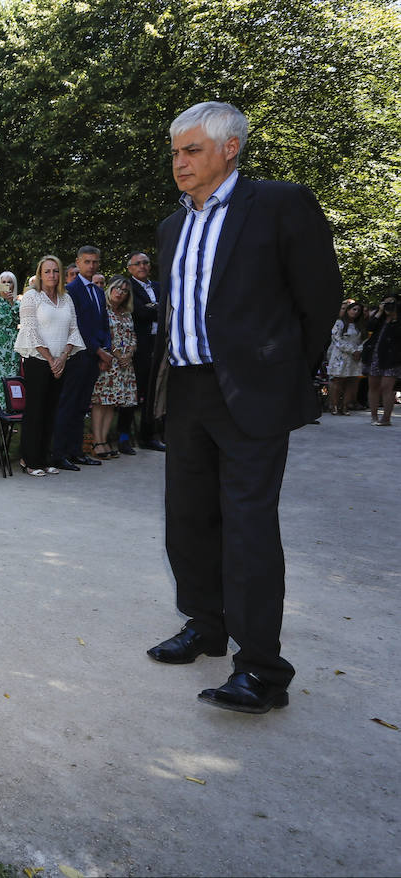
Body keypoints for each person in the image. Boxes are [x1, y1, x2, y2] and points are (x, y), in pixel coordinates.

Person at [146, 101, 340, 714]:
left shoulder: (280, 204)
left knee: (250, 529)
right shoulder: (171, 227)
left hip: (250, 394)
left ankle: (261, 669)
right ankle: (205, 625)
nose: (179, 163)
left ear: (231, 149)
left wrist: (280, 373)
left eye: (192, 150)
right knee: (188, 518)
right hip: (187, 391)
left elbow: (320, 298)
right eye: (175, 152)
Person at [14, 255, 83, 476]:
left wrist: (62, 357)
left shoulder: (66, 298)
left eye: (55, 271)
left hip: (61, 362)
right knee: (36, 411)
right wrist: (51, 359)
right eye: (47, 271)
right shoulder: (32, 297)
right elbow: (30, 330)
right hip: (38, 361)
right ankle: (30, 460)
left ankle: (46, 457)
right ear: (40, 274)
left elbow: (74, 329)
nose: (52, 275)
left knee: (52, 411)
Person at [52, 246, 111, 470]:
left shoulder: (97, 291)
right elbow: (78, 326)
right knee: (68, 404)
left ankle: (77, 451)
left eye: (95, 262)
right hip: (78, 355)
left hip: (95, 357)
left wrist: (106, 349)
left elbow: (103, 323)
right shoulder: (70, 290)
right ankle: (60, 452)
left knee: (82, 407)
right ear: (78, 262)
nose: (92, 266)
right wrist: (99, 351)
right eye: (87, 262)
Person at [90, 277, 138, 460]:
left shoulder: (126, 313)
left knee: (112, 403)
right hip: (109, 361)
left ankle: (105, 440)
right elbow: (104, 335)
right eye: (117, 288)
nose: (120, 292)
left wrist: (129, 354)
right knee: (100, 401)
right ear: (110, 289)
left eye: (125, 290)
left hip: (125, 365)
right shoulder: (103, 310)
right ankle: (97, 441)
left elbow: (133, 336)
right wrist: (118, 354)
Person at [124, 251, 164, 452]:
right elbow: (139, 312)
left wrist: (153, 307)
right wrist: (155, 308)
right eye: (137, 263)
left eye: (145, 263)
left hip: (158, 343)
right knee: (133, 392)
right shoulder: (128, 286)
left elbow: (166, 309)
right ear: (130, 268)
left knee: (152, 392)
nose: (142, 266)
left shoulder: (158, 286)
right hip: (138, 346)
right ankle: (123, 437)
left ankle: (148, 436)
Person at [362, 295, 399, 426]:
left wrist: (395, 317)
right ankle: (374, 416)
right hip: (374, 356)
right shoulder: (379, 317)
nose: (388, 305)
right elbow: (369, 327)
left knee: (387, 387)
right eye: (385, 303)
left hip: (392, 358)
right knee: (373, 386)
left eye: (391, 303)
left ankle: (386, 418)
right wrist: (379, 312)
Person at [326, 300, 366, 416]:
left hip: (355, 357)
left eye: (358, 310)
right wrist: (352, 350)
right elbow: (336, 338)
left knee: (352, 381)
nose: (356, 312)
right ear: (348, 310)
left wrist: (359, 350)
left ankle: (345, 406)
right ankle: (334, 405)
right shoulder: (339, 323)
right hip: (341, 356)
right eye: (354, 309)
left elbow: (364, 340)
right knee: (338, 380)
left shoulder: (360, 326)